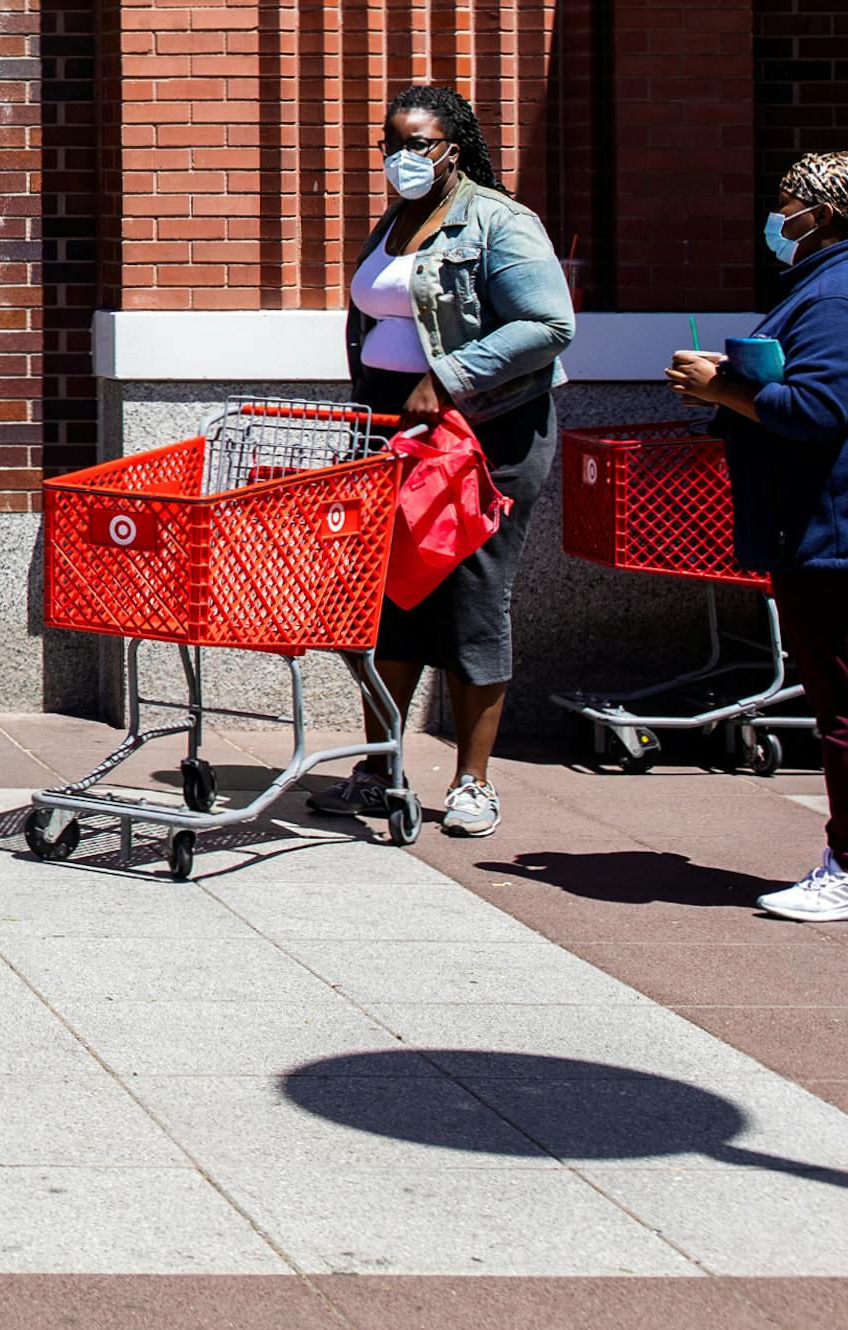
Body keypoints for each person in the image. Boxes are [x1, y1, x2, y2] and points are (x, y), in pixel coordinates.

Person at [666, 151, 848, 922]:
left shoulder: (841, 298)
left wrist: (719, 387)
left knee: (845, 700)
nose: (776, 215)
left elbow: (817, 410)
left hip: (833, 522)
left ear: (822, 215)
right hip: (845, 519)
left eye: (786, 201)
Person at [308, 85, 575, 837]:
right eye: (390, 143)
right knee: (387, 596)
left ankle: (473, 782)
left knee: (472, 597)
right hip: (393, 433)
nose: (401, 157)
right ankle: (379, 767)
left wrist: (449, 377)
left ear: (452, 148)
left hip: (483, 434)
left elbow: (549, 324)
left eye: (416, 143)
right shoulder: (397, 221)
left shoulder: (499, 221)